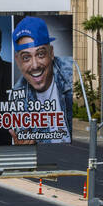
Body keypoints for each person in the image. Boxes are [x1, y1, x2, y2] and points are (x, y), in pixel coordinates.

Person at [11, 16, 74, 144]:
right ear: (17, 61)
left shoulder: (71, 73)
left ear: (51, 53)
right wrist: (26, 147)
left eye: (40, 54)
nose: (35, 65)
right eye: (26, 57)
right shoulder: (18, 94)